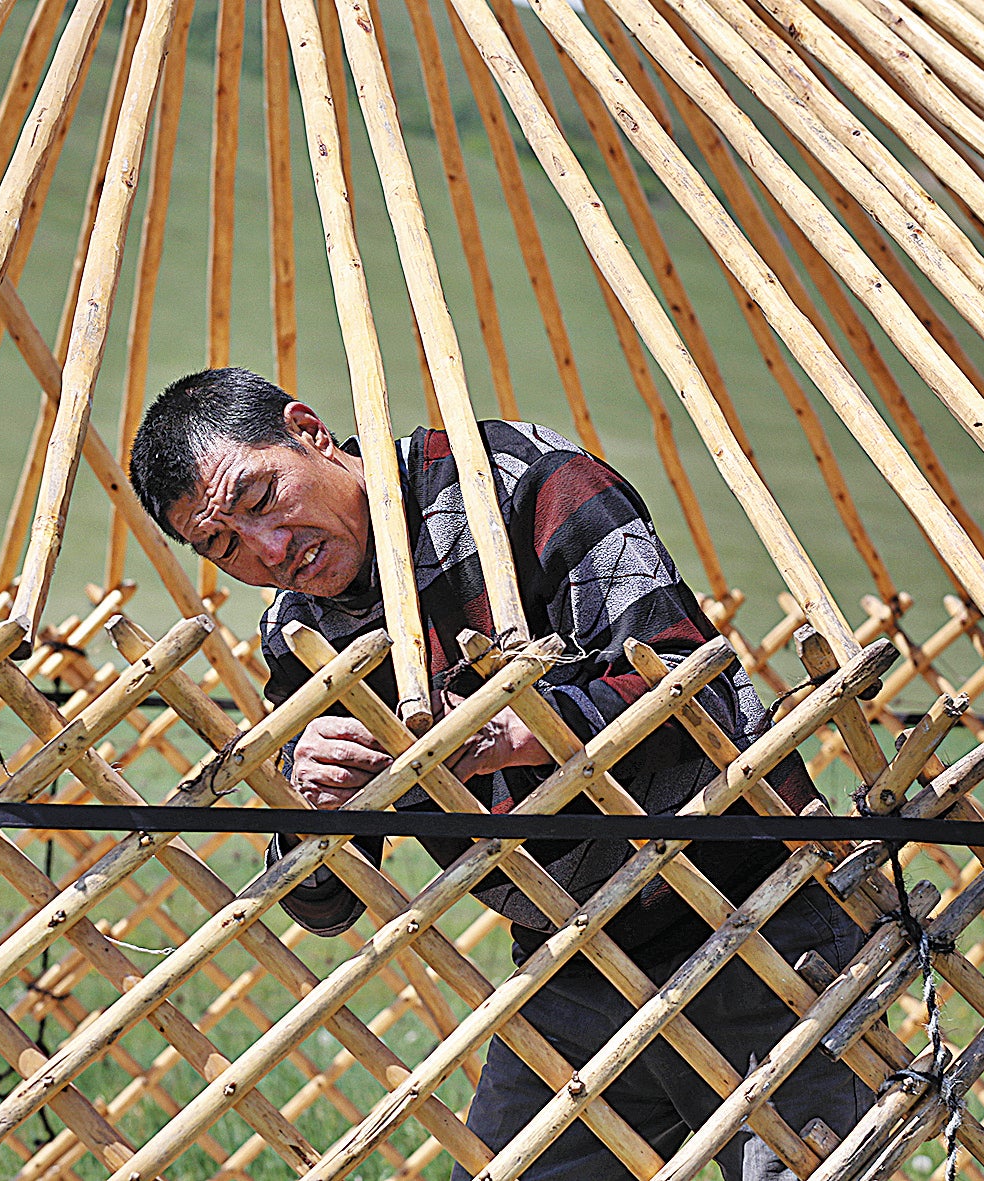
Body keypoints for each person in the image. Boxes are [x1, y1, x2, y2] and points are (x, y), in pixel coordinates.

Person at [129, 367, 870, 1181]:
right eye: (224, 544)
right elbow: (329, 904)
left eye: (262, 497)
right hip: (568, 958)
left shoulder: (518, 482)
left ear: (308, 430)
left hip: (747, 914)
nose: (269, 550)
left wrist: (523, 730)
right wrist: (313, 810)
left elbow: (700, 688)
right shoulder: (299, 633)